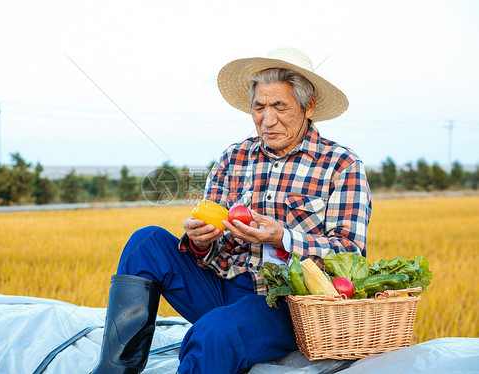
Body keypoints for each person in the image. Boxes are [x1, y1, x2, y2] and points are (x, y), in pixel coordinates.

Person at [92, 48, 372, 374]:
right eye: (259, 107)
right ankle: (113, 370)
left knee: (213, 335)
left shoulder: (341, 165)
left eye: (280, 106)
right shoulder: (234, 157)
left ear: (307, 106)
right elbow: (210, 246)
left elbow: (351, 254)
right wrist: (200, 239)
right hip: (223, 287)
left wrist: (283, 237)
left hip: (284, 306)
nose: (267, 120)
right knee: (146, 242)